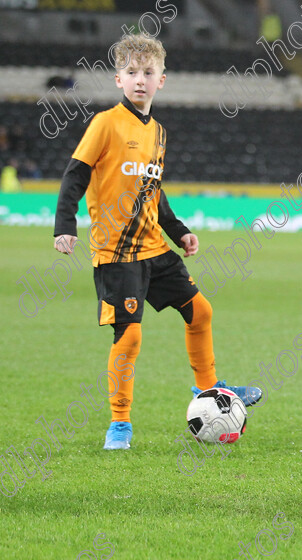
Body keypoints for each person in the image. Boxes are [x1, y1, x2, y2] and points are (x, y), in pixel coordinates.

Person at [52, 33, 261, 450]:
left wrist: (179, 230)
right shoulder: (106, 124)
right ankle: (120, 424)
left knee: (200, 312)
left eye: (148, 72)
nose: (140, 80)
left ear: (161, 80)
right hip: (117, 252)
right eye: (132, 73)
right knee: (129, 337)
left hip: (154, 248)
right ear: (118, 79)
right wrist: (65, 225)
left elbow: (154, 191)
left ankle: (211, 390)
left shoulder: (159, 134)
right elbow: (75, 174)